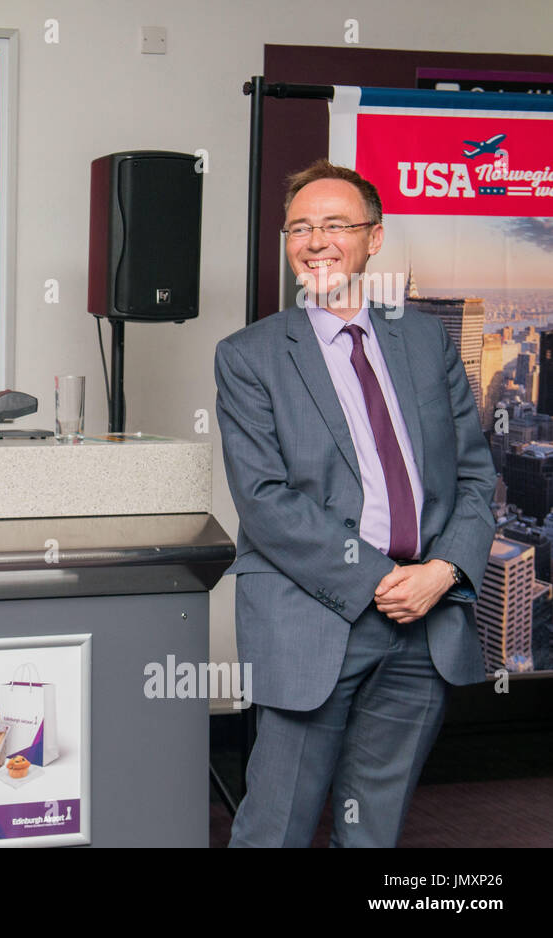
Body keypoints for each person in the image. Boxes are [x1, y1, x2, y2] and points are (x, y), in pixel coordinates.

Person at [215, 159, 496, 847]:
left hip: (424, 618)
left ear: (374, 238)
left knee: (373, 827)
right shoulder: (250, 356)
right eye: (300, 227)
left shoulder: (427, 341)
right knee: (276, 829)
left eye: (336, 224)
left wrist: (442, 574)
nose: (317, 241)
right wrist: (380, 582)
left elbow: (475, 477)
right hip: (315, 615)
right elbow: (263, 499)